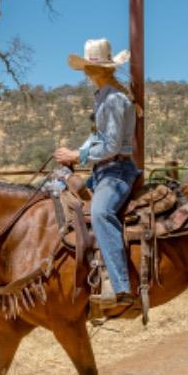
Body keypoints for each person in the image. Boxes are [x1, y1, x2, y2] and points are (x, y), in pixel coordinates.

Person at [52, 38, 140, 310]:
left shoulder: (114, 99)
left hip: (117, 171)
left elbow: (112, 145)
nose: (85, 73)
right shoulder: (103, 96)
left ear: (99, 70)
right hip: (103, 171)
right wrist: (75, 152)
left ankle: (120, 285)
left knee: (101, 212)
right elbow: (97, 139)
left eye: (88, 68)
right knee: (55, 189)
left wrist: (77, 156)